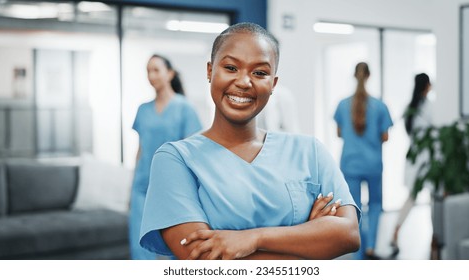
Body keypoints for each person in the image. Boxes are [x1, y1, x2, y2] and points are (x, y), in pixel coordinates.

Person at [139, 22, 361, 260]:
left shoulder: (310, 152)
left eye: (260, 72)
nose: (244, 82)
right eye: (231, 67)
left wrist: (253, 239)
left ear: (273, 84)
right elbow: (203, 260)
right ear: (209, 71)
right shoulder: (176, 159)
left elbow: (348, 234)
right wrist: (309, 242)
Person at [129, 54, 203, 260]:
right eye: (148, 71)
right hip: (142, 187)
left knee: (174, 249)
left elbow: (192, 152)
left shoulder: (184, 107)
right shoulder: (143, 109)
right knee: (140, 248)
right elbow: (140, 149)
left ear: (169, 74)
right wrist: (131, 187)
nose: (151, 75)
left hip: (172, 188)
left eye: (156, 70)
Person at [333, 62, 393, 260]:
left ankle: (356, 251)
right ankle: (371, 247)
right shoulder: (380, 105)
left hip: (350, 163)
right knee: (375, 205)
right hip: (373, 163)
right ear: (369, 76)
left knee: (354, 207)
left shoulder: (343, 105)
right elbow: (385, 137)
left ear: (354, 76)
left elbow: (340, 133)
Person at [390, 73, 432, 257]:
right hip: (428, 158)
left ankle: (395, 231)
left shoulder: (410, 107)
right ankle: (435, 239)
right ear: (427, 86)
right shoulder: (429, 107)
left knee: (412, 197)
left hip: (414, 158)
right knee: (432, 198)